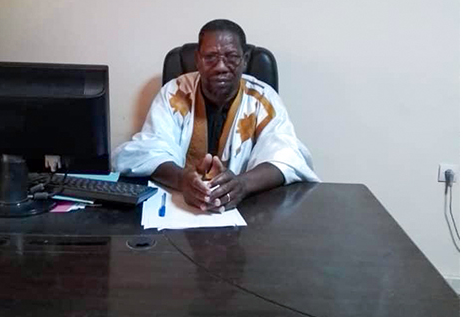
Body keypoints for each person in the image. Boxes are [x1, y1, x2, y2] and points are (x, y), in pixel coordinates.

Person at [113, 20, 318, 211]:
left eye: (231, 57)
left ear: (245, 60)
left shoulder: (262, 97)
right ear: (197, 60)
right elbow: (148, 150)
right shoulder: (175, 92)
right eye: (210, 57)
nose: (220, 66)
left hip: (246, 211)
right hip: (178, 210)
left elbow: (288, 155)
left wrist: (243, 184)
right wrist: (183, 180)